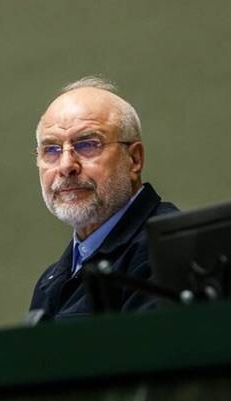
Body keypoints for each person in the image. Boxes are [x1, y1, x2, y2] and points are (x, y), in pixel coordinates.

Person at [29, 77, 178, 320]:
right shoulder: (51, 279)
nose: (66, 165)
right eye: (51, 150)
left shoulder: (166, 251)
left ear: (134, 159)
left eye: (88, 144)